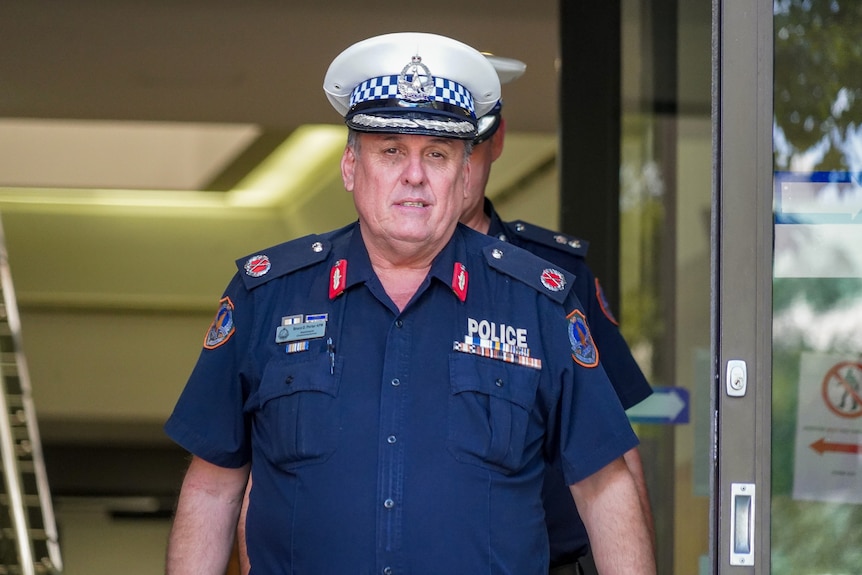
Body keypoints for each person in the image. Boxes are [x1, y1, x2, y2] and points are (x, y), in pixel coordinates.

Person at [164, 31, 655, 575]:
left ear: (465, 173)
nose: (414, 175)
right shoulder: (266, 296)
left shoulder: (537, 302)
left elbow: (605, 488)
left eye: (437, 154)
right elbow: (213, 489)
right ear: (351, 166)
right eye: (391, 151)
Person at [462, 61, 656, 575]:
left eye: (467, 143)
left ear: (497, 138)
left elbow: (614, 449)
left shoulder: (554, 276)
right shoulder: (348, 280)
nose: (447, 166)